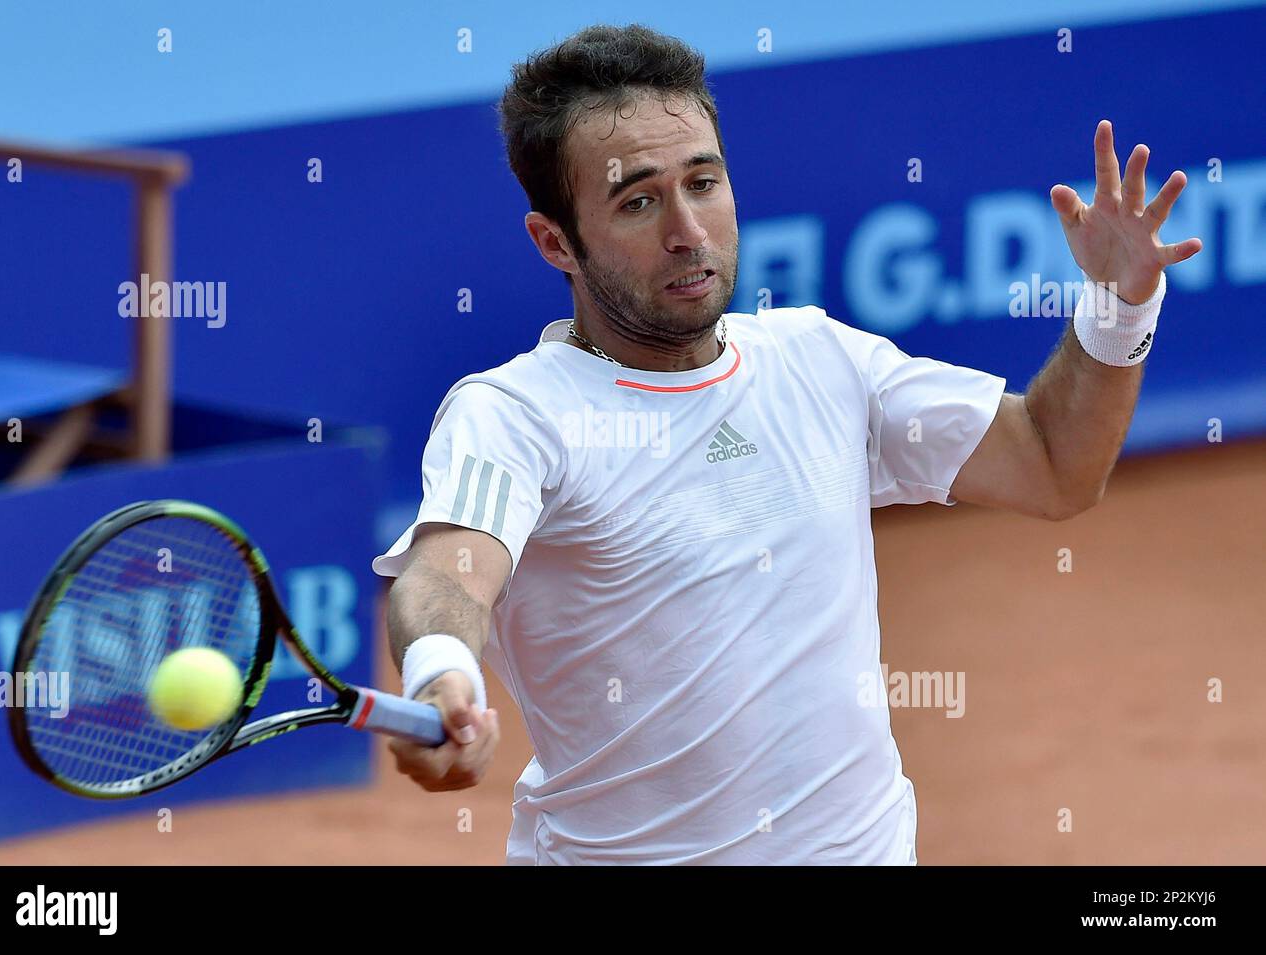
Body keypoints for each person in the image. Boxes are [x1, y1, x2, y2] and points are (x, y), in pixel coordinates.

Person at [373, 24, 1201, 864]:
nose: (689, 230)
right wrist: (446, 676)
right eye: (638, 200)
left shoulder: (818, 358)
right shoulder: (514, 413)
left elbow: (1054, 464)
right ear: (556, 242)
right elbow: (449, 573)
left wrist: (1118, 303)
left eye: (704, 181)